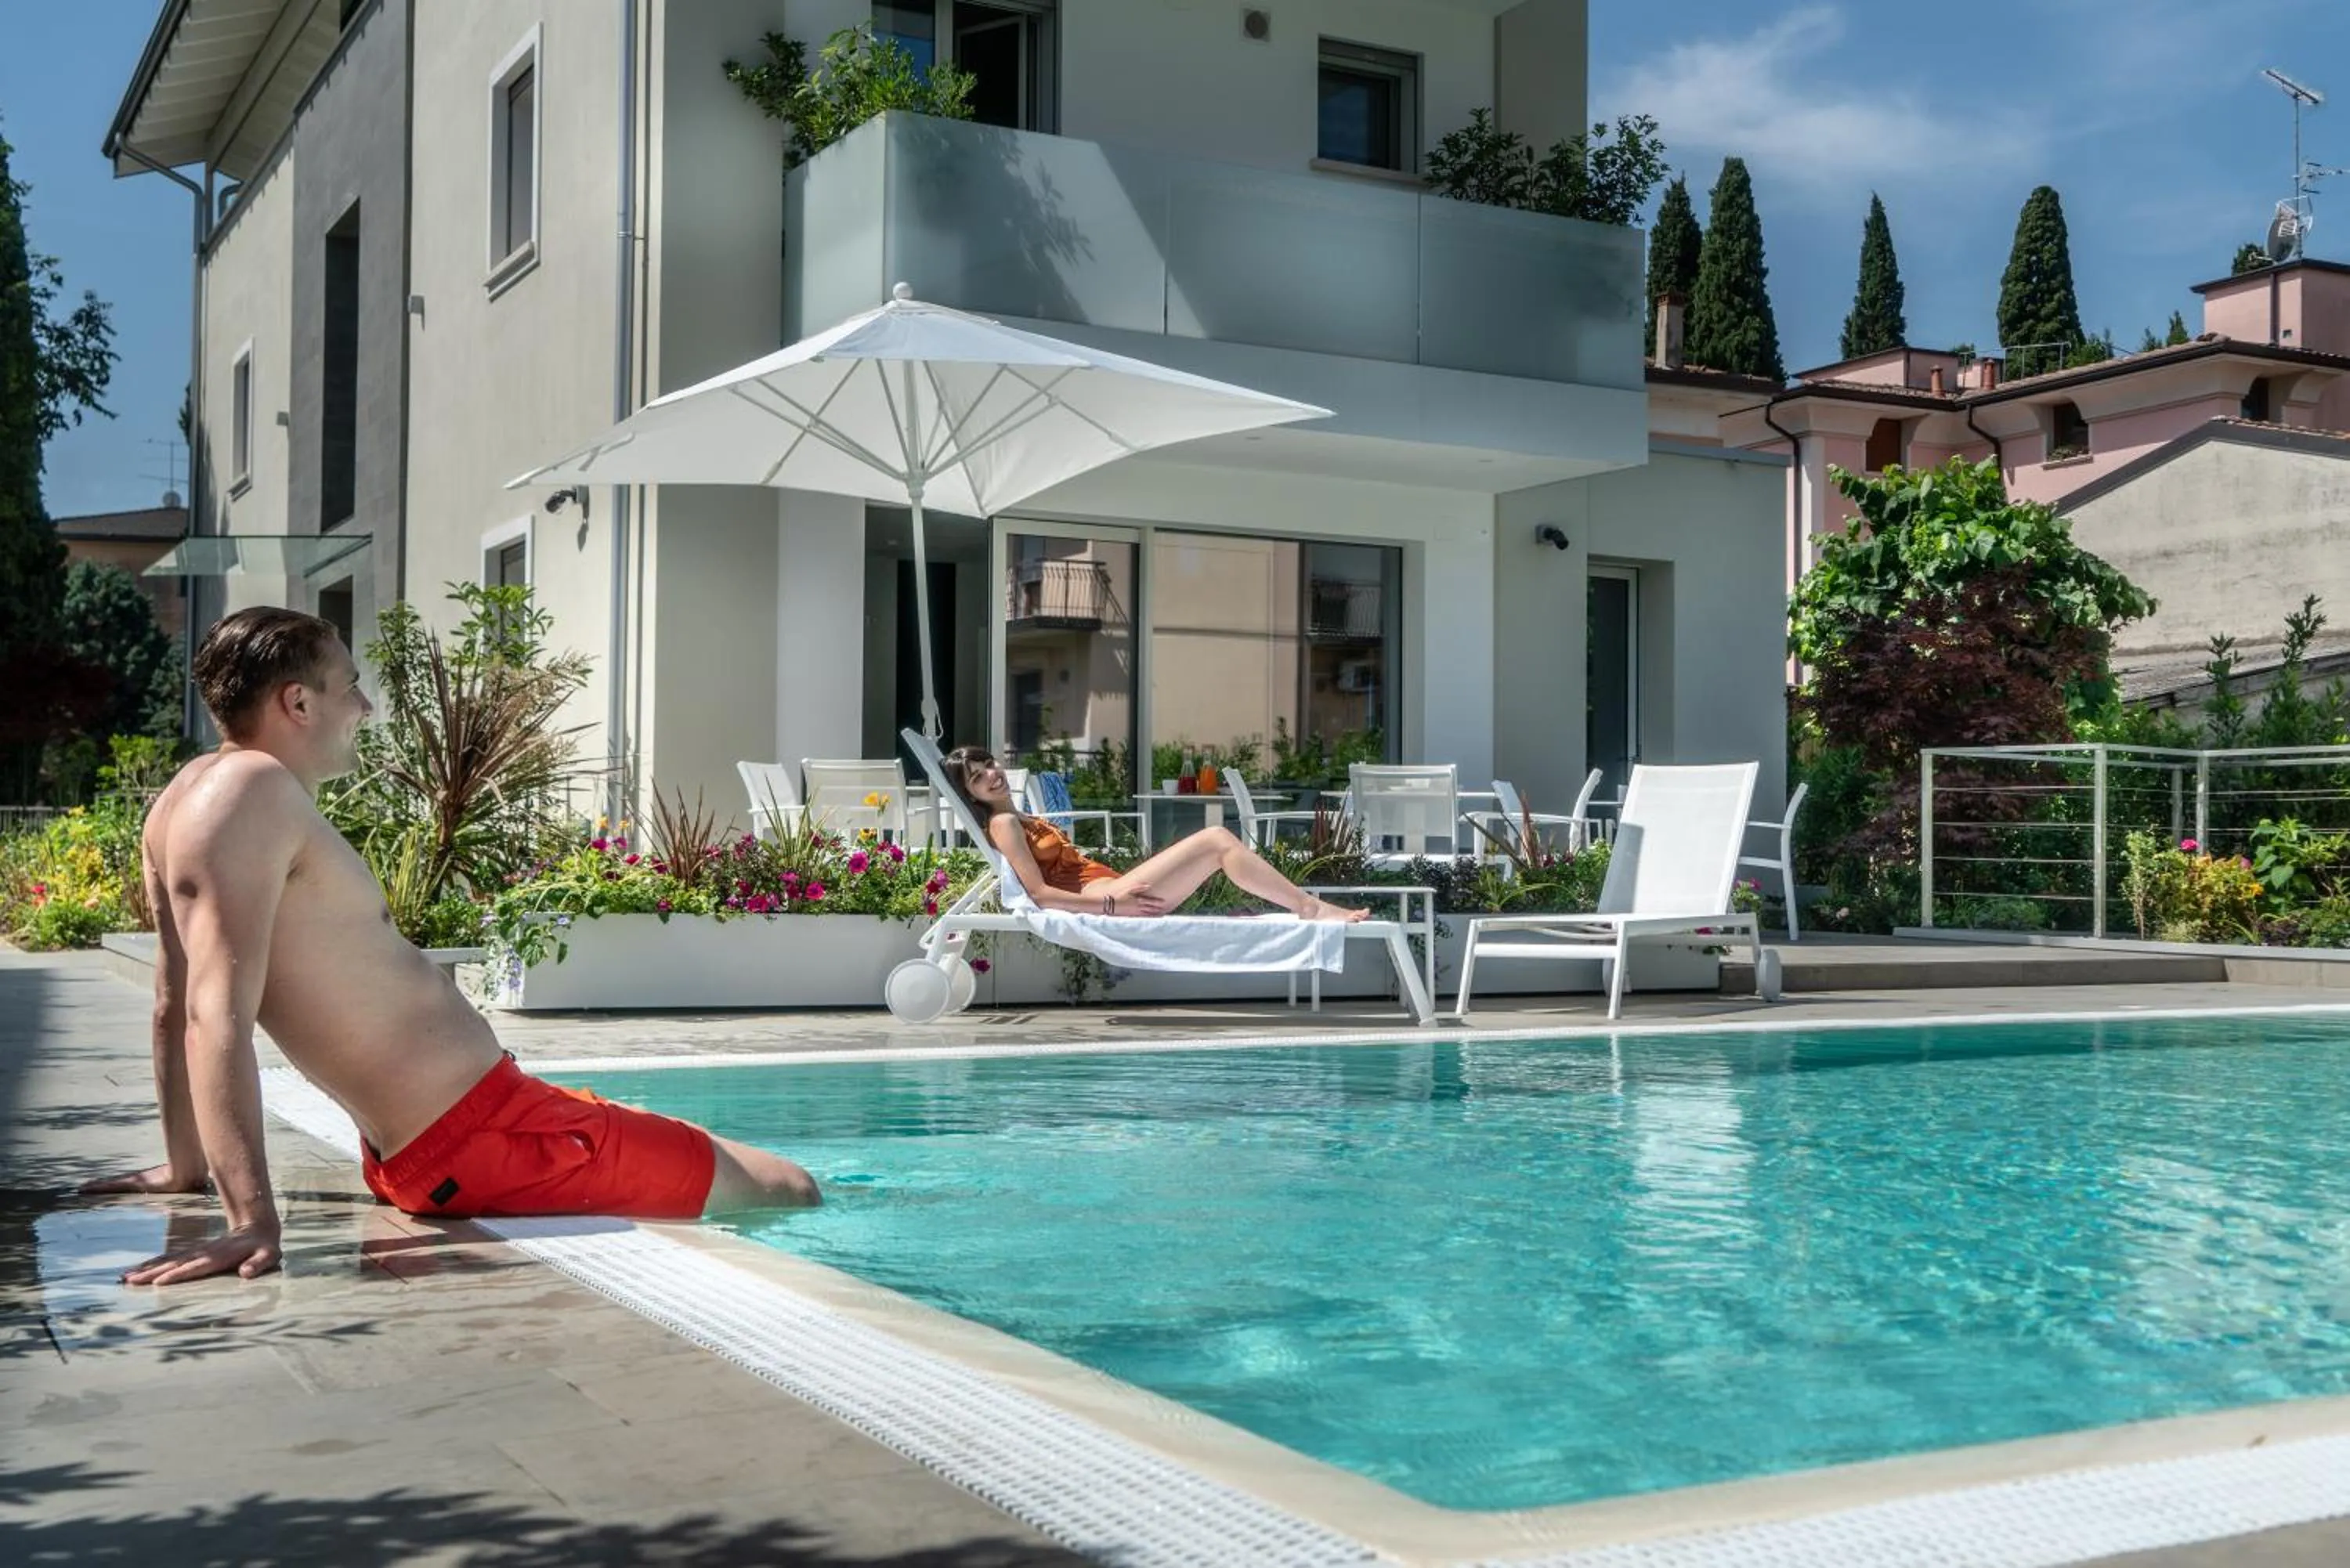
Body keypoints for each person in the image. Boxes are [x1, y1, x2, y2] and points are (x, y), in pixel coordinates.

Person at [81, 608, 818, 1287]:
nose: (365, 707)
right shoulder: (251, 789)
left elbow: (171, 1000)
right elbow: (211, 1015)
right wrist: (250, 1222)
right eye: (350, 685)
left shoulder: (183, 796)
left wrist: (187, 1167)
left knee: (712, 1151)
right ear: (298, 703)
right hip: (486, 1137)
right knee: (787, 1186)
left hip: (474, 1131)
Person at [938, 746, 1367, 923]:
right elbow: (1039, 895)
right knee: (1217, 838)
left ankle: (1303, 905)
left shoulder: (1020, 815)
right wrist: (1114, 903)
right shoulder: (1004, 824)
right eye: (977, 777)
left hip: (1115, 888)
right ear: (970, 794)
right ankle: (1308, 907)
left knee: (1217, 845)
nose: (991, 775)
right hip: (1111, 897)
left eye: (989, 764)